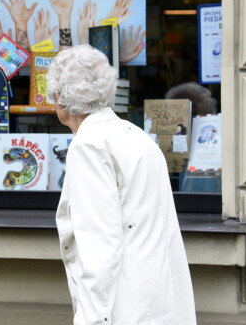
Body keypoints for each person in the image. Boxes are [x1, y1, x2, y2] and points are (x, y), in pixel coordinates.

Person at [46, 45, 196, 324]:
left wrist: (91, 319)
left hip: (125, 307)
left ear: (59, 99)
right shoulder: (136, 136)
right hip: (162, 300)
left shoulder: (89, 146)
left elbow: (99, 245)